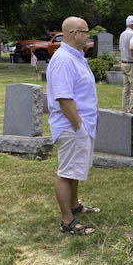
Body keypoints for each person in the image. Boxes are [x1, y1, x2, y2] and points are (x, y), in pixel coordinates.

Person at [47, 16, 100, 236]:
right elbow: (64, 98)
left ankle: (75, 205)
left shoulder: (76, 57)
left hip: (82, 124)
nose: (88, 36)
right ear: (73, 34)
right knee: (66, 173)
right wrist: (78, 125)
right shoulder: (63, 60)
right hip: (71, 125)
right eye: (85, 32)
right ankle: (67, 221)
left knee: (75, 169)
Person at [119, 15, 133, 113]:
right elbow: (132, 47)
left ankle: (124, 109)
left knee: (126, 89)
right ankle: (132, 111)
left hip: (123, 63)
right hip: (131, 64)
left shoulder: (122, 34)